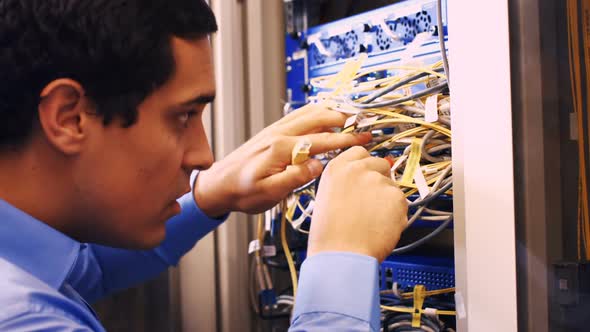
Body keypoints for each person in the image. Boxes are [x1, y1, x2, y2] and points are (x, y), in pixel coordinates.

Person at [0, 0, 407, 331]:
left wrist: (207, 195)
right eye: (183, 117)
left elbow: (80, 273)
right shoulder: (25, 320)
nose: (203, 157)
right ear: (69, 117)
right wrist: (341, 258)